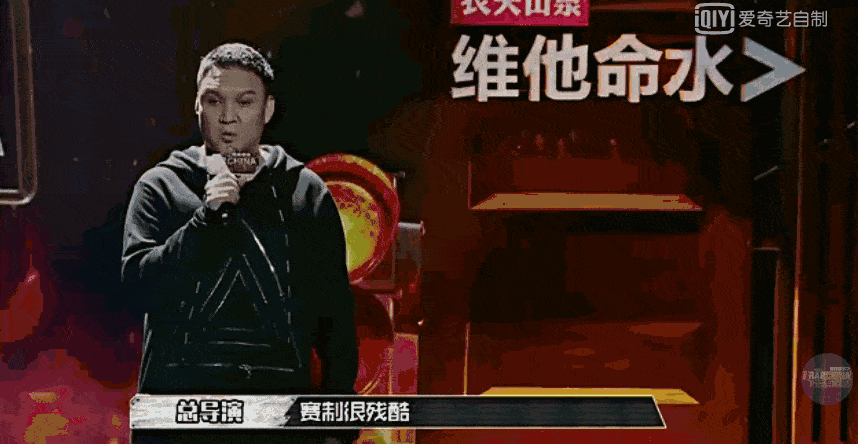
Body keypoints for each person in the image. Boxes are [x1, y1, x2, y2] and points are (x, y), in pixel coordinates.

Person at [122, 42, 359, 443]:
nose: (228, 117)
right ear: (197, 105)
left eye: (244, 102)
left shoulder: (304, 192)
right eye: (213, 101)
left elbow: (334, 316)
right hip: (179, 423)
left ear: (267, 109)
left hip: (277, 424)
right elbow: (138, 291)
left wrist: (338, 424)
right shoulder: (161, 185)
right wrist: (206, 219)